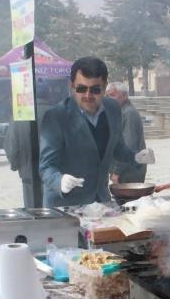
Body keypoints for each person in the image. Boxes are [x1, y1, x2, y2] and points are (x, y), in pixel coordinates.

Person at [39, 57, 155, 207]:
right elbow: (46, 167)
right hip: (66, 205)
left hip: (101, 201)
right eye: (81, 88)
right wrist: (59, 180)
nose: (88, 95)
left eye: (95, 89)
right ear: (71, 86)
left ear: (104, 87)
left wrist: (136, 157)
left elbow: (116, 147)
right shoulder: (56, 116)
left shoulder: (113, 108)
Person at [105, 82, 147, 184]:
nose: (108, 99)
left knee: (129, 200)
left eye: (112, 95)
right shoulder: (120, 112)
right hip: (126, 170)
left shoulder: (128, 114)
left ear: (124, 96)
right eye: (107, 96)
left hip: (130, 171)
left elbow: (129, 146)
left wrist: (117, 171)